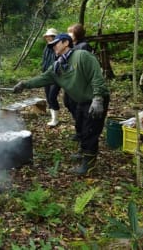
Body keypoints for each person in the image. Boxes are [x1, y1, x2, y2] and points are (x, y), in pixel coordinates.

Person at [13, 33, 110, 175]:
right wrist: (24, 84)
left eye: (55, 44)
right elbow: (43, 78)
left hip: (95, 99)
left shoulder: (82, 55)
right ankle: (84, 153)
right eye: (50, 46)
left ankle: (89, 166)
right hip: (80, 101)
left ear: (66, 43)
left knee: (90, 131)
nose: (53, 47)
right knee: (81, 128)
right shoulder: (57, 66)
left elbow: (96, 75)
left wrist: (98, 98)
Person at [64, 23, 94, 141]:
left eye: (70, 32)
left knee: (79, 108)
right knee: (68, 103)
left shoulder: (84, 46)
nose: (68, 35)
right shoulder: (72, 45)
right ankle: (80, 130)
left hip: (80, 85)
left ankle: (82, 133)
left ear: (78, 34)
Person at [42, 28, 60, 126]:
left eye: (50, 36)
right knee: (48, 96)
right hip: (46, 75)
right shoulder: (46, 47)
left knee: (52, 96)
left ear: (54, 37)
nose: (48, 38)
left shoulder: (58, 46)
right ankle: (53, 118)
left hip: (56, 76)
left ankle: (55, 119)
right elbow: (45, 60)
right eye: (47, 37)